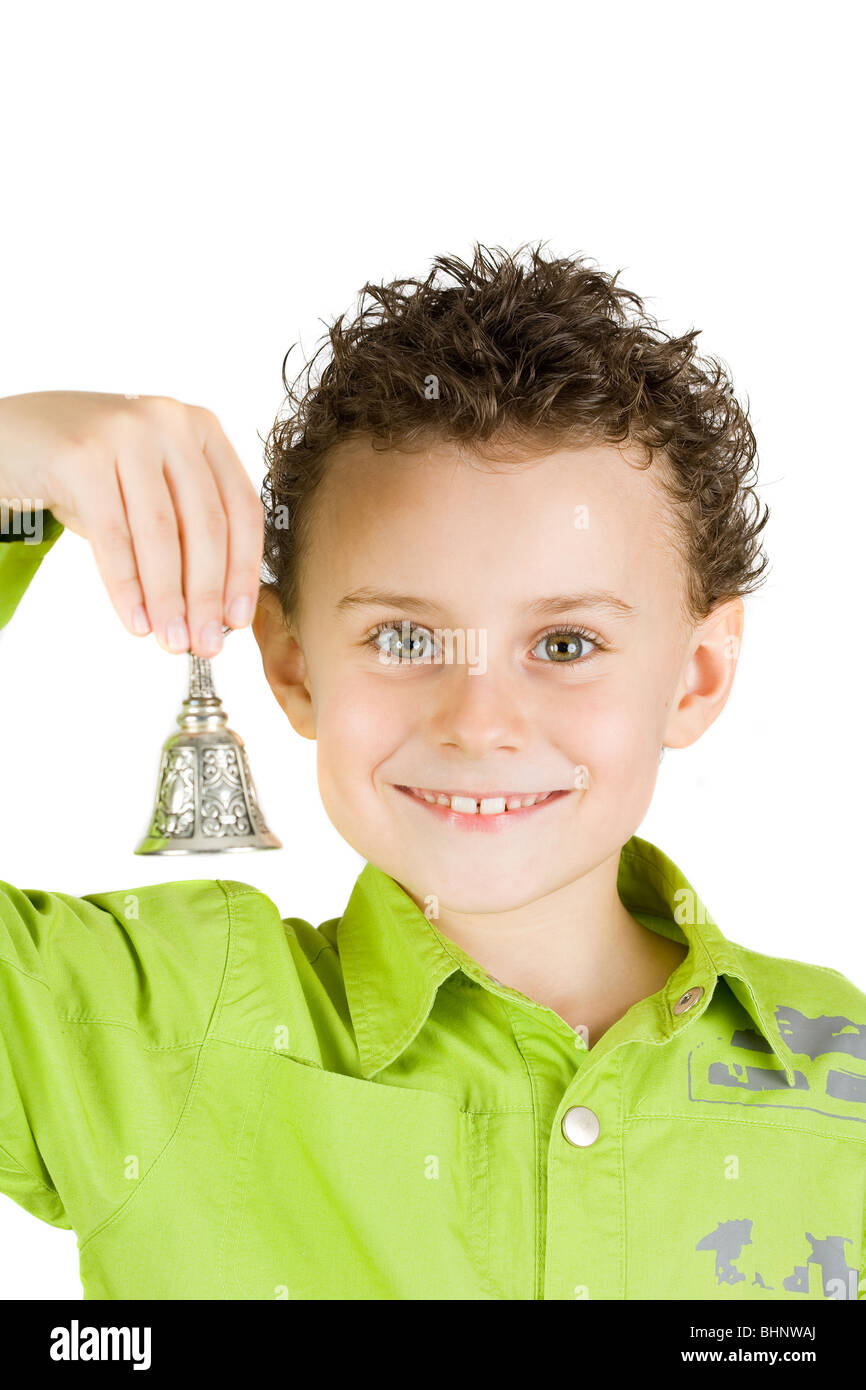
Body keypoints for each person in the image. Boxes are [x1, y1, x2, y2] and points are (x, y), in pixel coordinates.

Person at [1, 243, 863, 1301]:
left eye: (563, 644)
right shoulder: (147, 1028)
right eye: (405, 638)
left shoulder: (845, 1077)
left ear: (694, 674)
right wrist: (9, 464)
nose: (478, 723)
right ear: (290, 662)